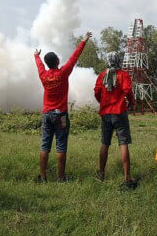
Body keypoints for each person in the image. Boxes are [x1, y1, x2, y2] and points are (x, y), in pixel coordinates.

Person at [34, 31, 92, 182]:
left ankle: (43, 177)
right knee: (61, 146)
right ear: (57, 61)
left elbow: (39, 66)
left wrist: (36, 56)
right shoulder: (63, 73)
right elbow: (74, 58)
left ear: (48, 64)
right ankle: (61, 177)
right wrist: (83, 41)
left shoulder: (43, 76)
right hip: (61, 116)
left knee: (45, 146)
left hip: (47, 114)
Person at [93, 51, 136, 189]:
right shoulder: (123, 75)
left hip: (106, 113)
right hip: (119, 112)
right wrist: (131, 102)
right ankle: (127, 178)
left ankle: (101, 174)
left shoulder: (102, 75)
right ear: (119, 61)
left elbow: (97, 92)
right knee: (123, 143)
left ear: (107, 61)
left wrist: (103, 102)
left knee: (104, 143)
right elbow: (128, 90)